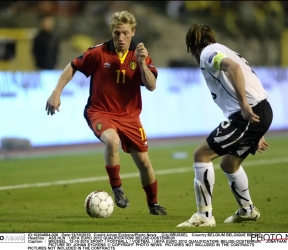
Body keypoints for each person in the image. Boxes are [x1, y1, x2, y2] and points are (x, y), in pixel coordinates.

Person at [45, 11, 167, 215]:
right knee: (112, 141)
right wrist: (56, 91)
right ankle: (117, 188)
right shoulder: (98, 53)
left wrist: (143, 63)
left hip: (129, 116)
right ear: (112, 32)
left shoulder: (140, 55)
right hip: (100, 111)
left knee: (145, 163)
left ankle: (153, 204)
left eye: (125, 33)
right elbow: (73, 66)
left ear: (133, 32)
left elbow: (152, 86)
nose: (120, 38)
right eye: (116, 33)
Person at [176, 24, 273, 227]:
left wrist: (246, 107)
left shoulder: (207, 53)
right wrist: (257, 126)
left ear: (192, 44)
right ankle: (247, 210)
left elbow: (234, 68)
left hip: (247, 113)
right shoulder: (224, 50)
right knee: (229, 164)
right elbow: (249, 78)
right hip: (258, 111)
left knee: (201, 154)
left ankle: (204, 216)